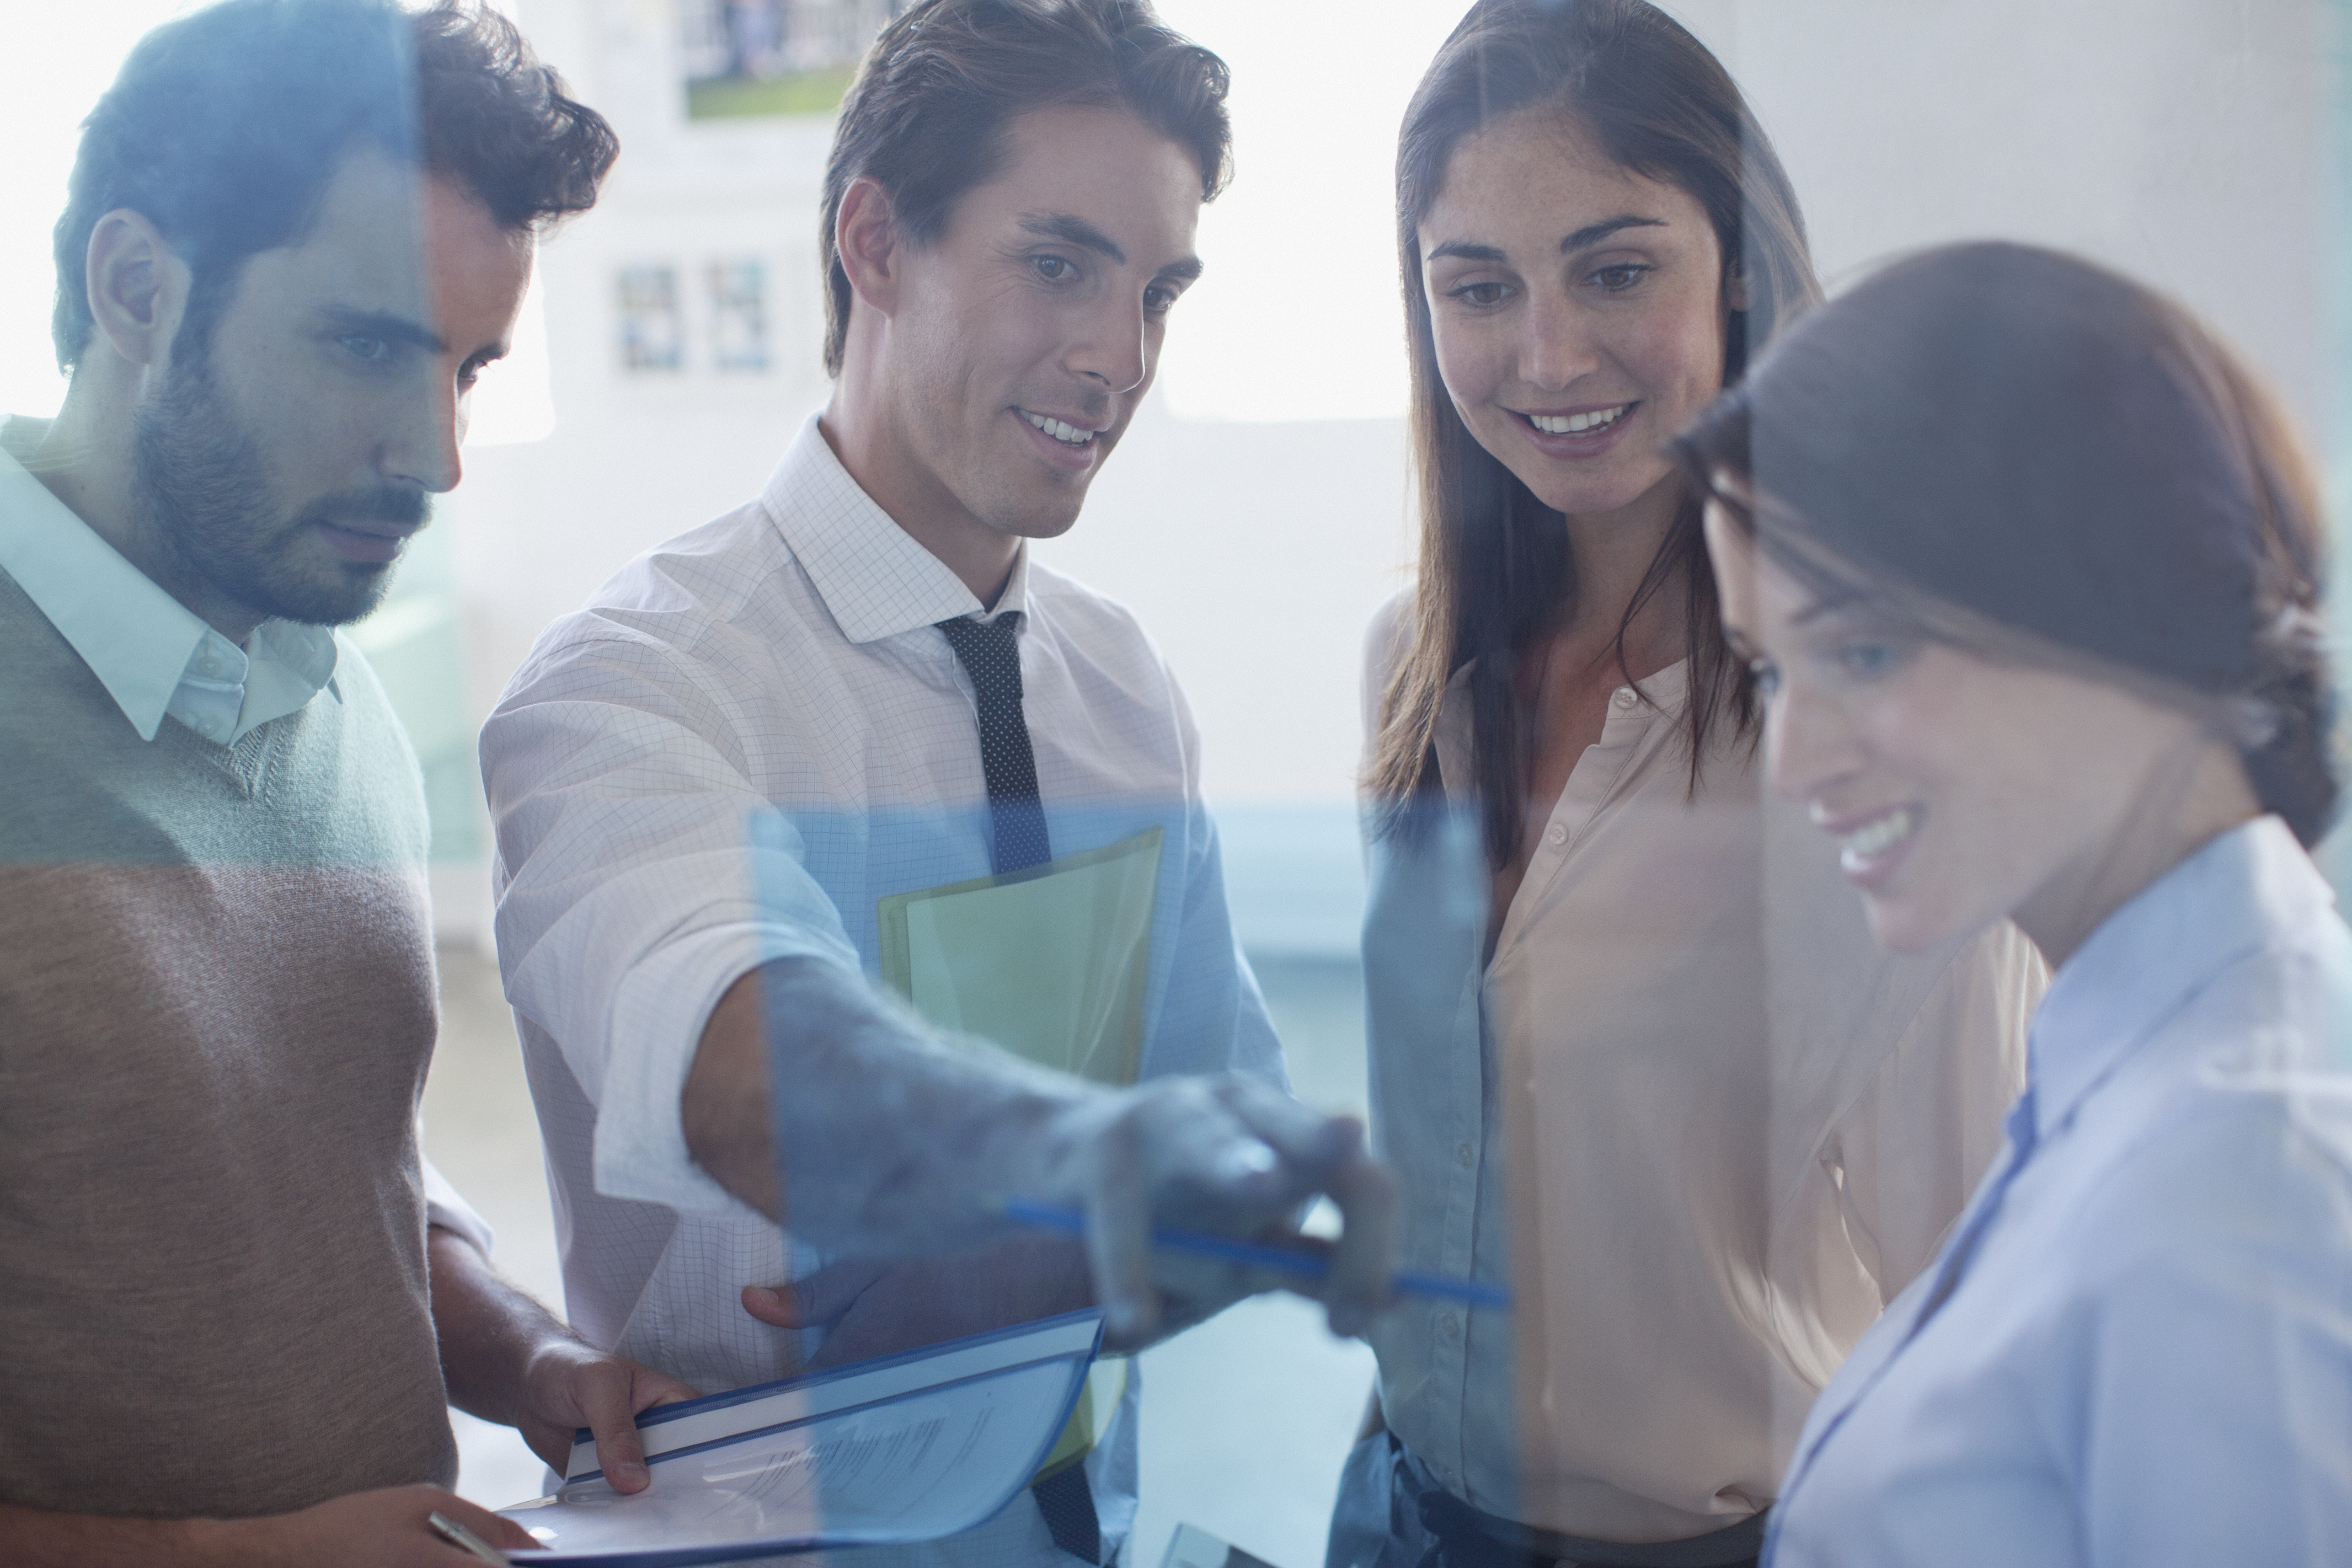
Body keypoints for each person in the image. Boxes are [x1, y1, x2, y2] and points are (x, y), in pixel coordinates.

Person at [478, 1, 1397, 1564]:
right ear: (875, 244)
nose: (1120, 356)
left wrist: (1075, 1242)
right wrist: (1066, 1189)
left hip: (1076, 1532)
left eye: (1156, 287)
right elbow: (747, 1064)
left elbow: (1206, 1109)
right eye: (1056, 262)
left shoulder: (1121, 691)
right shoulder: (629, 688)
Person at [1331, 5, 2047, 1567]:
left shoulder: (1877, 732)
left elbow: (1994, 1300)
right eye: (1477, 287)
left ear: (1738, 268)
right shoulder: (1414, 664)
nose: (1548, 356)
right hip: (1393, 1512)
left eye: (1615, 267)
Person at [0, 4, 700, 1563]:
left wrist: (523, 1351)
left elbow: (325, 1160)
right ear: (136, 288)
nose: (437, 456)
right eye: (370, 346)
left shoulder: (335, 693)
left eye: (470, 365)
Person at [1684, 242, 2352, 1567]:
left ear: (2123, 599)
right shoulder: (2145, 1065)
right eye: (1770, 674)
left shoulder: (2239, 1185)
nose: (1795, 762)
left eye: (1863, 651)